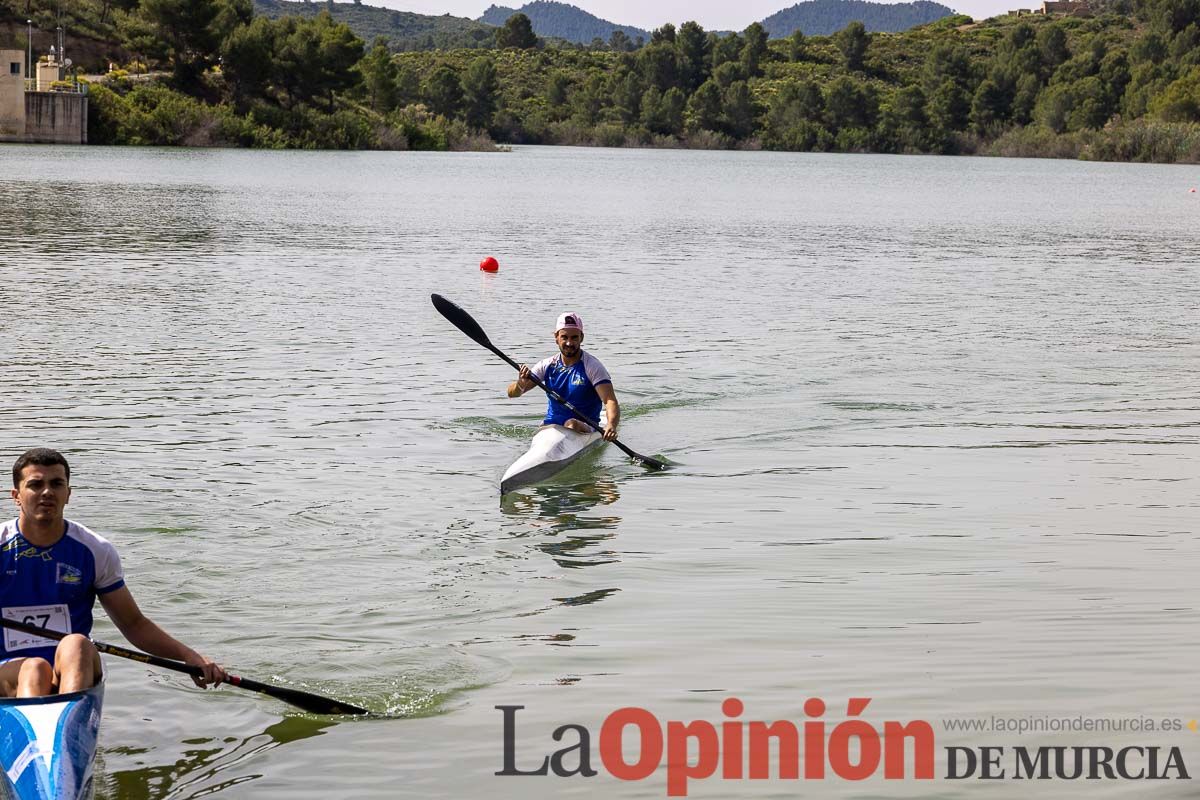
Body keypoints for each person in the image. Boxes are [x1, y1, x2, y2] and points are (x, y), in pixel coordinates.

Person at [0, 448, 226, 698]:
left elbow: (133, 624)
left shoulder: (95, 549)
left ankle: (66, 722)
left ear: (68, 494)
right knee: (35, 669)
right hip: (7, 669)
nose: (47, 492)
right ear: (16, 496)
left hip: (73, 665)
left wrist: (188, 656)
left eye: (56, 484)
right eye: (35, 484)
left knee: (77, 643)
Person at [507, 312, 620, 442]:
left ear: (581, 338)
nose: (569, 343)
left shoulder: (593, 367)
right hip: (552, 425)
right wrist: (521, 383)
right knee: (546, 429)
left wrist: (611, 424)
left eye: (574, 337)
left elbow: (609, 400)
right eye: (564, 337)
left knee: (571, 423)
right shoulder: (546, 365)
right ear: (556, 337)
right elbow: (512, 394)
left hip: (583, 427)